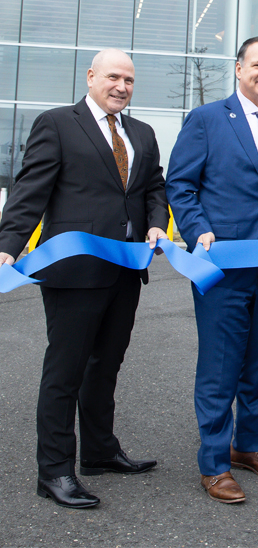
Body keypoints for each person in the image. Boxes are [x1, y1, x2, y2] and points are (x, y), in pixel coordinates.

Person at [0, 49, 168, 509]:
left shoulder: (142, 132)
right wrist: (7, 245)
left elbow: (154, 187)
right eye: (114, 76)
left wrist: (156, 221)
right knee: (65, 372)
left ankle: (99, 451)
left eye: (129, 80)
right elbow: (30, 189)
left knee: (106, 365)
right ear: (91, 76)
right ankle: (54, 472)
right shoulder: (57, 124)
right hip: (73, 274)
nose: (122, 86)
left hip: (126, 271)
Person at [166, 36, 258, 504]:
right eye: (257, 64)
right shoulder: (207, 120)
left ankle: (249, 445)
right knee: (220, 369)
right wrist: (198, 231)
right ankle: (213, 464)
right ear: (238, 69)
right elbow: (181, 184)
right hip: (225, 269)